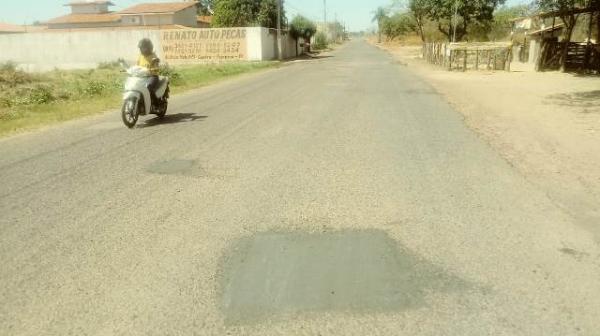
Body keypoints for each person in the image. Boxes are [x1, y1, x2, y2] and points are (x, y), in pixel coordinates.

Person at [137, 38, 160, 105]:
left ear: (149, 48)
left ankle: (156, 102)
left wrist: (155, 68)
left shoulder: (153, 56)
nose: (142, 49)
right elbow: (137, 65)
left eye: (144, 48)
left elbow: (156, 65)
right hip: (143, 77)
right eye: (141, 48)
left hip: (152, 76)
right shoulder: (140, 56)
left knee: (148, 86)